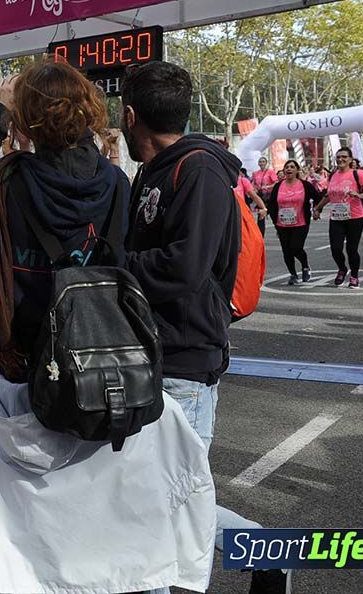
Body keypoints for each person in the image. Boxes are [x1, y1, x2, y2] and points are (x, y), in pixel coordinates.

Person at [0, 59, 215, 594]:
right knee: (106, 522)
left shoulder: (3, 183)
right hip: (101, 371)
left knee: (25, 536)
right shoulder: (116, 181)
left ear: (25, 120)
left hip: (24, 376)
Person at [120, 62, 290, 593]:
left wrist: (111, 267)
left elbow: (186, 266)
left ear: (129, 115)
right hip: (149, 356)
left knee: (159, 508)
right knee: (160, 503)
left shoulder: (199, 171)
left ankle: (267, 553)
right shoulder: (154, 171)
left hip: (185, 364)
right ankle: (268, 553)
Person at [312, 147, 363, 288]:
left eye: (344, 157)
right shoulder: (333, 175)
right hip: (336, 217)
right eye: (338, 157)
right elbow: (328, 195)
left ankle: (354, 276)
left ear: (350, 159)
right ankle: (342, 268)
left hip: (354, 217)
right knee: (335, 248)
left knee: (351, 249)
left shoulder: (357, 174)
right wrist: (318, 208)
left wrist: (360, 195)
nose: (340, 159)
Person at [267, 160, 321, 285]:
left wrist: (317, 210)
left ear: (297, 170)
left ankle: (305, 266)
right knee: (286, 250)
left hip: (300, 223)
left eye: (292, 167)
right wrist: (273, 219)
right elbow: (272, 203)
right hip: (282, 224)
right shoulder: (278, 186)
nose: (289, 169)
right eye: (286, 167)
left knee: (296, 247)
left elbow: (317, 197)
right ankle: (293, 274)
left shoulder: (305, 185)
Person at [239, 164, 269, 235]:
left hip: (241, 213)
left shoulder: (243, 181)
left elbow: (254, 196)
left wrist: (264, 208)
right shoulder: (223, 180)